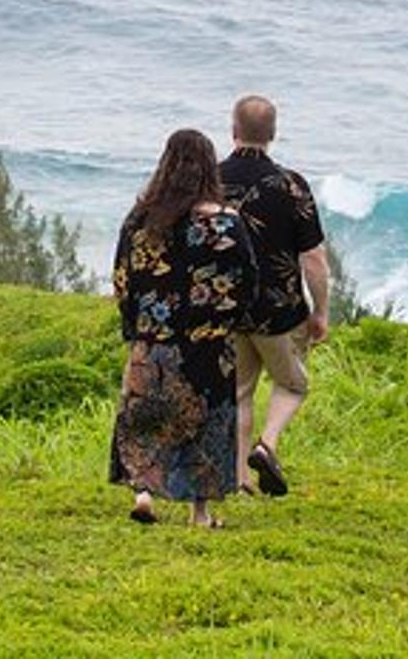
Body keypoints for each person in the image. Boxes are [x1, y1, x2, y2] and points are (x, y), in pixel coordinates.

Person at [109, 127, 256, 528]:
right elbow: (247, 279)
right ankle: (200, 514)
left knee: (143, 418)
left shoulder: (140, 219)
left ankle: (143, 493)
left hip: (153, 337)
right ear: (210, 169)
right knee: (206, 425)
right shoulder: (227, 223)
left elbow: (122, 278)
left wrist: (134, 324)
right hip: (206, 344)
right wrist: (228, 322)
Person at [224, 94, 329, 498]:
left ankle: (239, 479)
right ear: (273, 134)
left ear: (234, 130)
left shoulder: (211, 181)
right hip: (279, 310)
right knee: (293, 384)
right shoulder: (291, 185)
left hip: (227, 306)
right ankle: (267, 445)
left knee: (239, 392)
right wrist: (321, 312)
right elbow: (313, 257)